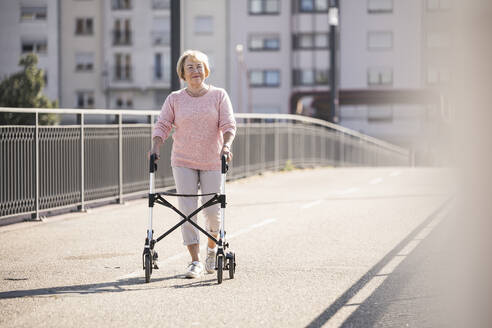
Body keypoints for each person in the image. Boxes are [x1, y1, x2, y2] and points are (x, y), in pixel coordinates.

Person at [149, 50, 236, 278]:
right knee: (187, 211)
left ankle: (211, 250)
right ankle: (195, 261)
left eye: (199, 66)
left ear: (206, 71)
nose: (195, 70)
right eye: (190, 67)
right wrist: (156, 146)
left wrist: (226, 146)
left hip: (212, 160)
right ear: (182, 73)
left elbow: (228, 125)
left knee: (213, 211)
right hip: (183, 160)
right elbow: (162, 125)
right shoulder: (175, 99)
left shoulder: (219, 95)